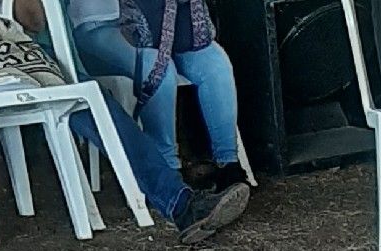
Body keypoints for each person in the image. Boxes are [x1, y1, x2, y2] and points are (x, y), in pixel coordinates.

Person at [0, 0, 249, 243]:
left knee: (86, 96)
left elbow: (34, 20)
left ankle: (199, 186)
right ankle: (174, 186)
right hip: (22, 55)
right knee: (87, 94)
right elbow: (34, 20)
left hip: (10, 56)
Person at [67, 0, 246, 191]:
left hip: (165, 22)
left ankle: (228, 165)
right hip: (99, 26)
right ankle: (167, 171)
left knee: (215, 64)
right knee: (158, 67)